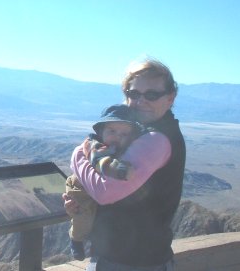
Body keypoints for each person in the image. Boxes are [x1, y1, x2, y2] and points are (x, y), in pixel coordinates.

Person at [63, 58, 186, 271]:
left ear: (170, 98)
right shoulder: (139, 132)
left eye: (152, 94)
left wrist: (78, 156)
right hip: (128, 258)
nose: (141, 101)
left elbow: (104, 191)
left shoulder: (156, 139)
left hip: (130, 262)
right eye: (133, 94)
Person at [66, 104, 144, 261]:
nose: (117, 136)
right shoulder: (94, 145)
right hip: (80, 186)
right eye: (112, 131)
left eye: (124, 133)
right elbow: (101, 162)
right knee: (84, 213)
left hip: (93, 184)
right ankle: (76, 239)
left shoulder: (123, 147)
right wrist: (121, 170)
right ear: (101, 131)